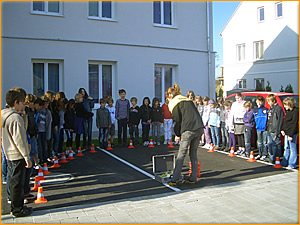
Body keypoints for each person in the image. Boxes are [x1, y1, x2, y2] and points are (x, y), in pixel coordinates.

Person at [1, 90, 33, 217]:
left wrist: (23, 115)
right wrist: (27, 157)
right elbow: (20, 139)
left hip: (9, 152)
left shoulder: (5, 115)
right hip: (17, 154)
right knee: (17, 183)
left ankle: (17, 205)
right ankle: (17, 209)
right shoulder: (15, 118)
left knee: (14, 180)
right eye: (22, 103)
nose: (24, 106)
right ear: (16, 102)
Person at [167, 84, 204, 186]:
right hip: (199, 127)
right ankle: (193, 178)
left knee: (181, 154)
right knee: (193, 154)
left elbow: (177, 120)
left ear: (170, 96)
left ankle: (174, 179)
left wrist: (177, 134)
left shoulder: (174, 103)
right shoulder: (187, 100)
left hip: (188, 129)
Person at [280, 97, 298, 169]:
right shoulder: (288, 112)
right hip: (287, 132)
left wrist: (291, 135)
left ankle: (292, 164)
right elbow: (286, 122)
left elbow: (294, 124)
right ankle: (284, 162)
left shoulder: (295, 112)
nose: (285, 107)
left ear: (290, 105)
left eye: (286, 105)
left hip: (292, 133)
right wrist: (282, 129)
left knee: (292, 149)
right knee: (286, 147)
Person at [266, 94, 284, 164]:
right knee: (270, 144)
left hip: (275, 129)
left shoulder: (278, 109)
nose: (268, 103)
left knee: (276, 144)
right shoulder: (271, 108)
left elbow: (279, 120)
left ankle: (276, 158)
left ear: (273, 101)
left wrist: (278, 130)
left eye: (269, 101)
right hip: (269, 128)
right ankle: (271, 157)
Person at [253, 95, 268, 161]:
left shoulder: (265, 109)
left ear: (262, 102)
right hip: (258, 128)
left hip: (264, 128)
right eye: (258, 101)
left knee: (265, 142)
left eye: (260, 101)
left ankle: (265, 154)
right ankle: (260, 153)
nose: (259, 103)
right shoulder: (255, 110)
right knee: (259, 142)